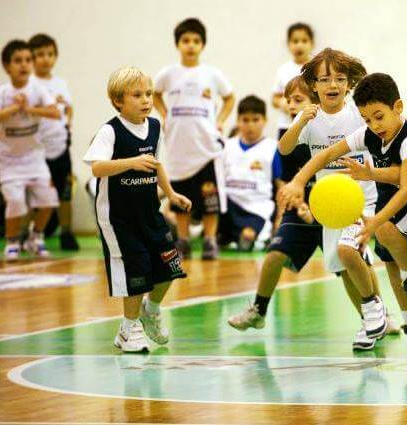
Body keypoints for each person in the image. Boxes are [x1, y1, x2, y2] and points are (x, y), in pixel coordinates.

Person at [280, 72, 407, 361]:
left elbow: (406, 185)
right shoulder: (369, 134)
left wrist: (374, 215)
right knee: (388, 262)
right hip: (388, 202)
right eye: (367, 120)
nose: (374, 126)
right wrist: (299, 181)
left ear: (397, 108)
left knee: (387, 233)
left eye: (379, 117)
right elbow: (324, 155)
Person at [278, 48, 390, 347]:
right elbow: (285, 149)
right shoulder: (309, 118)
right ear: (313, 85)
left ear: (349, 84)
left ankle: (373, 311)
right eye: (325, 79)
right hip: (329, 206)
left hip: (363, 199)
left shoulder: (357, 114)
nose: (333, 85)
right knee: (345, 269)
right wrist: (300, 122)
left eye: (340, 79)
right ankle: (372, 320)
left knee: (349, 251)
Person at [83, 67, 191, 352]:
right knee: (136, 273)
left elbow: (157, 164)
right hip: (119, 219)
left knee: (170, 266)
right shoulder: (110, 131)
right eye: (137, 95)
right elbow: (96, 167)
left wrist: (171, 193)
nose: (146, 100)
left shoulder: (154, 126)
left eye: (148, 94)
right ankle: (127, 330)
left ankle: (151, 310)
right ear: (118, 100)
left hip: (150, 213)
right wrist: (130, 162)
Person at [154, 17, 236, 260]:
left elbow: (230, 97)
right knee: (180, 195)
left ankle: (210, 240)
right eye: (185, 40)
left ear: (203, 45)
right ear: (177, 44)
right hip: (179, 146)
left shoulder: (212, 74)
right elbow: (155, 94)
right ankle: (183, 240)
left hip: (206, 147)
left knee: (209, 197)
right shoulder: (168, 74)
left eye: (196, 41)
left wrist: (220, 120)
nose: (190, 45)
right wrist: (164, 113)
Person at [0, 40, 60, 260]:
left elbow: (55, 113)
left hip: (34, 157)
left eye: (27, 60)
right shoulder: (3, 92)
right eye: (17, 61)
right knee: (15, 202)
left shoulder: (38, 90)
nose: (24, 65)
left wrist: (30, 108)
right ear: (7, 66)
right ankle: (12, 241)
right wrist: (15, 108)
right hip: (8, 160)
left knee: (49, 200)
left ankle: (35, 237)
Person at [29, 33, 78, 251]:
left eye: (50, 54)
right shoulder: (29, 85)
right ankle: (24, 232)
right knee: (32, 192)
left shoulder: (61, 83)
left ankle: (66, 232)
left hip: (60, 146)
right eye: (40, 55)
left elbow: (68, 107)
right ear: (31, 58)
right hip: (36, 148)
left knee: (64, 191)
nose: (46, 59)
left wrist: (68, 124)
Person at [219, 95, 282, 251]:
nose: (250, 125)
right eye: (245, 120)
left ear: (265, 120)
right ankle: (224, 236)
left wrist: (279, 223)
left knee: (248, 235)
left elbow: (281, 187)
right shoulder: (226, 147)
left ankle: (243, 236)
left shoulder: (273, 148)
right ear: (238, 120)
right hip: (229, 205)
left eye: (255, 120)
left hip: (258, 208)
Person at [272, 22, 314, 139]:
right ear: (288, 44)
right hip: (286, 125)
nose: (299, 45)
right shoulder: (283, 70)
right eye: (295, 41)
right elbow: (274, 99)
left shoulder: (317, 68)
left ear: (312, 44)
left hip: (311, 125)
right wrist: (283, 103)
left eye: (304, 41)